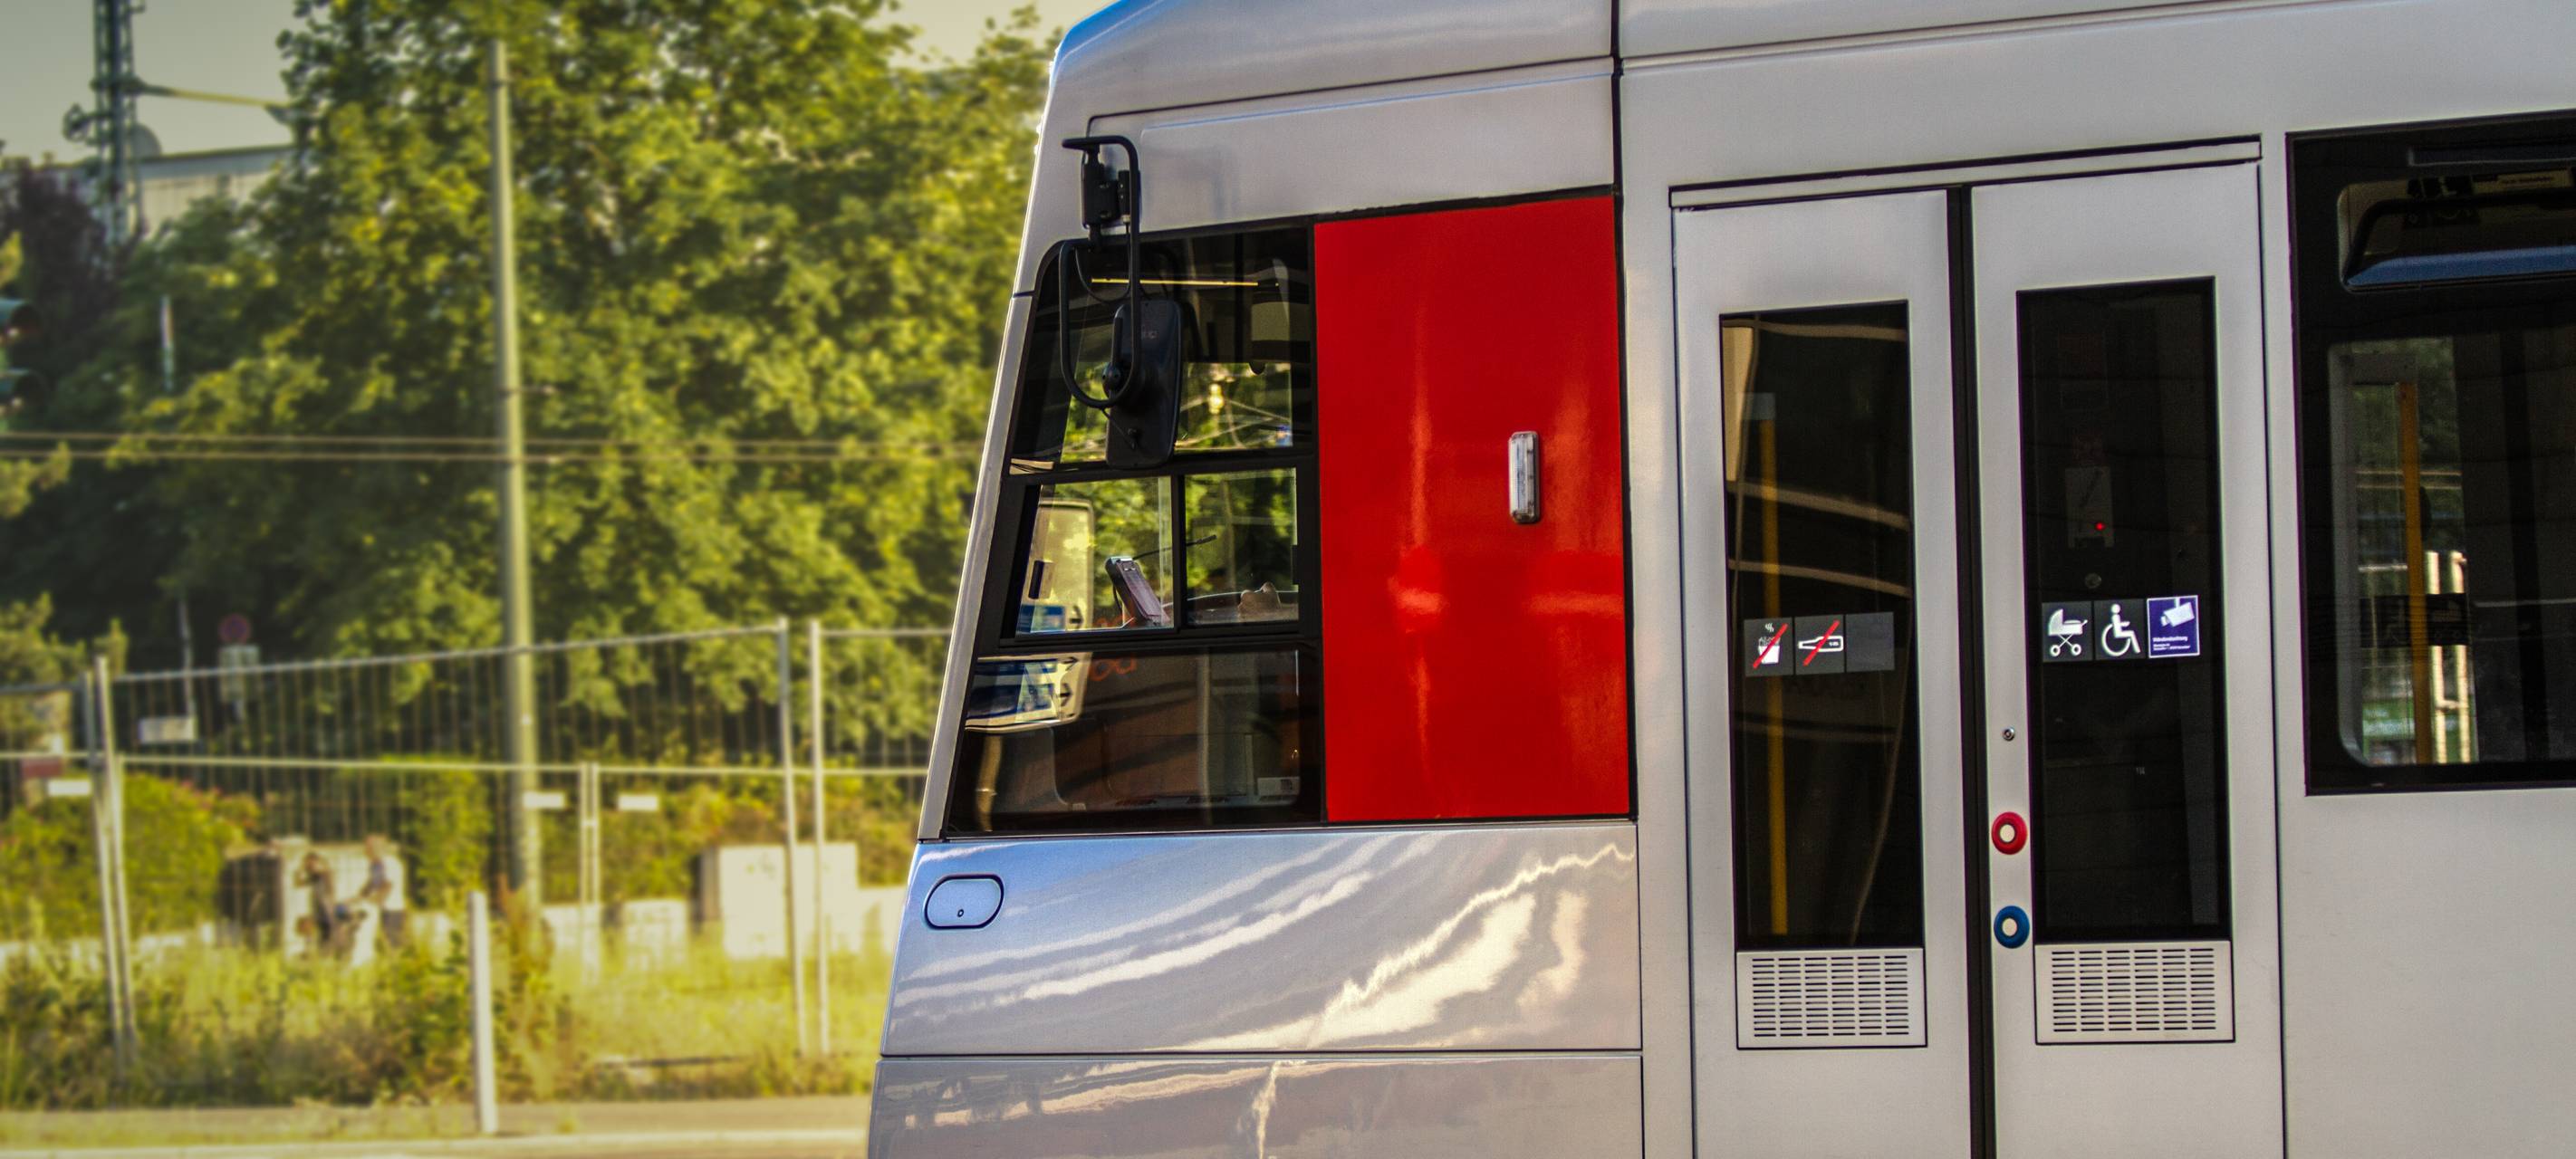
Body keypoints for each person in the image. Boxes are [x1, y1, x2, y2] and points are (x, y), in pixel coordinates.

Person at [358, 835, 408, 948]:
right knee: (382, 939)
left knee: (392, 939)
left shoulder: (390, 863)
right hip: (381, 908)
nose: (366, 851)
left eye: (369, 848)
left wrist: (375, 899)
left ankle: (397, 956)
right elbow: (371, 883)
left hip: (393, 907)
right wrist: (359, 896)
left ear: (377, 848)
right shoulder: (374, 864)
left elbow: (388, 885)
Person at [293, 849, 339, 956]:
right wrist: (299, 869)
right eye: (307, 863)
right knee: (311, 932)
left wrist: (319, 862)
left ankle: (324, 954)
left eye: (311, 862)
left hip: (325, 909)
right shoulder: (313, 876)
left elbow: (330, 883)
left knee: (325, 933)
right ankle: (313, 953)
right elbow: (297, 884)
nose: (309, 866)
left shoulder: (324, 873)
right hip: (316, 908)